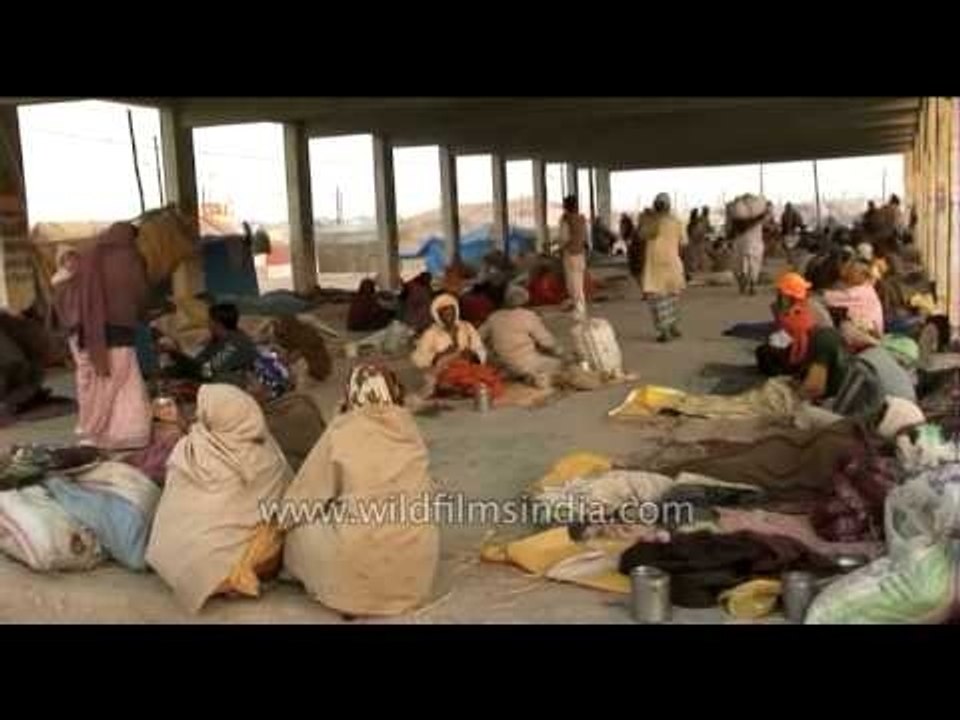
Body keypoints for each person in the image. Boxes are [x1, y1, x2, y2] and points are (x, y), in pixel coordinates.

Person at [281, 364, 439, 617]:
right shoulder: (409, 429)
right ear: (394, 391)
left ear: (349, 393)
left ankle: (339, 586)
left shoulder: (342, 431)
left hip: (355, 578)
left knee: (298, 532)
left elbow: (305, 497)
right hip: (415, 579)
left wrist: (281, 525)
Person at [146, 384, 293, 613]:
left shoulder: (189, 448)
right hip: (217, 570)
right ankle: (232, 578)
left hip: (170, 559)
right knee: (283, 525)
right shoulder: (266, 453)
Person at [56, 224, 152, 450]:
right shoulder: (131, 257)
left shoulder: (91, 254)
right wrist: (144, 312)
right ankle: (111, 431)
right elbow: (140, 292)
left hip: (92, 329)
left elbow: (76, 292)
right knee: (122, 381)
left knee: (102, 380)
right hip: (120, 327)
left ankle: (100, 430)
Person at [159, 303, 260, 388]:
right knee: (174, 371)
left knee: (214, 378)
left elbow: (207, 372)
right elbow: (200, 361)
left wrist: (177, 354)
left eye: (209, 321)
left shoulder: (234, 344)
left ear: (218, 324)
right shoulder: (218, 339)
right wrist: (176, 355)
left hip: (234, 383)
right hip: (212, 373)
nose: (208, 324)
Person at [480, 285, 563, 388]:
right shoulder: (528, 315)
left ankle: (520, 375)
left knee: (512, 368)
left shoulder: (494, 317)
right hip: (528, 360)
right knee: (558, 365)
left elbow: (478, 337)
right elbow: (546, 341)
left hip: (505, 363)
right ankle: (533, 378)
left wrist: (490, 353)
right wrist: (558, 350)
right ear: (525, 299)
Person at [411, 293, 489, 397]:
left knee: (487, 379)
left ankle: (461, 387)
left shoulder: (467, 327)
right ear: (437, 316)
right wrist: (439, 355)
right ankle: (456, 388)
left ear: (456, 312)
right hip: (443, 372)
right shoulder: (431, 333)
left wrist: (473, 355)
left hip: (467, 368)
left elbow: (480, 349)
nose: (449, 318)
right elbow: (417, 358)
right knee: (446, 381)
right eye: (445, 314)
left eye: (451, 313)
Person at [639, 193, 687, 342]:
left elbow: (642, 236)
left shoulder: (650, 221)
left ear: (655, 205)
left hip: (655, 265)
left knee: (658, 300)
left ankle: (665, 330)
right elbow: (683, 243)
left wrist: (645, 218)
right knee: (672, 297)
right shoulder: (676, 221)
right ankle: (673, 326)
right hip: (673, 263)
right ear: (669, 206)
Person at [823, 257, 885, 338]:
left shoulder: (857, 292)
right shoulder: (866, 287)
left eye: (851, 269)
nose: (847, 271)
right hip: (869, 334)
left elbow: (826, 298)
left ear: (862, 276)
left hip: (867, 337)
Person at [558, 195, 588, 317]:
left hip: (570, 254)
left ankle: (579, 310)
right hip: (580, 254)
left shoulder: (566, 220)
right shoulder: (581, 219)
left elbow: (564, 238)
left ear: (566, 206)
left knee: (573, 284)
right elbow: (584, 237)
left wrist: (559, 248)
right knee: (579, 282)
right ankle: (579, 306)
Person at [730, 205, 767, 296]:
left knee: (744, 266)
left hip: (744, 244)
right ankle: (751, 285)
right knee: (753, 266)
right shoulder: (757, 220)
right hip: (752, 245)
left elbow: (732, 231)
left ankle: (747, 284)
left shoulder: (738, 220)